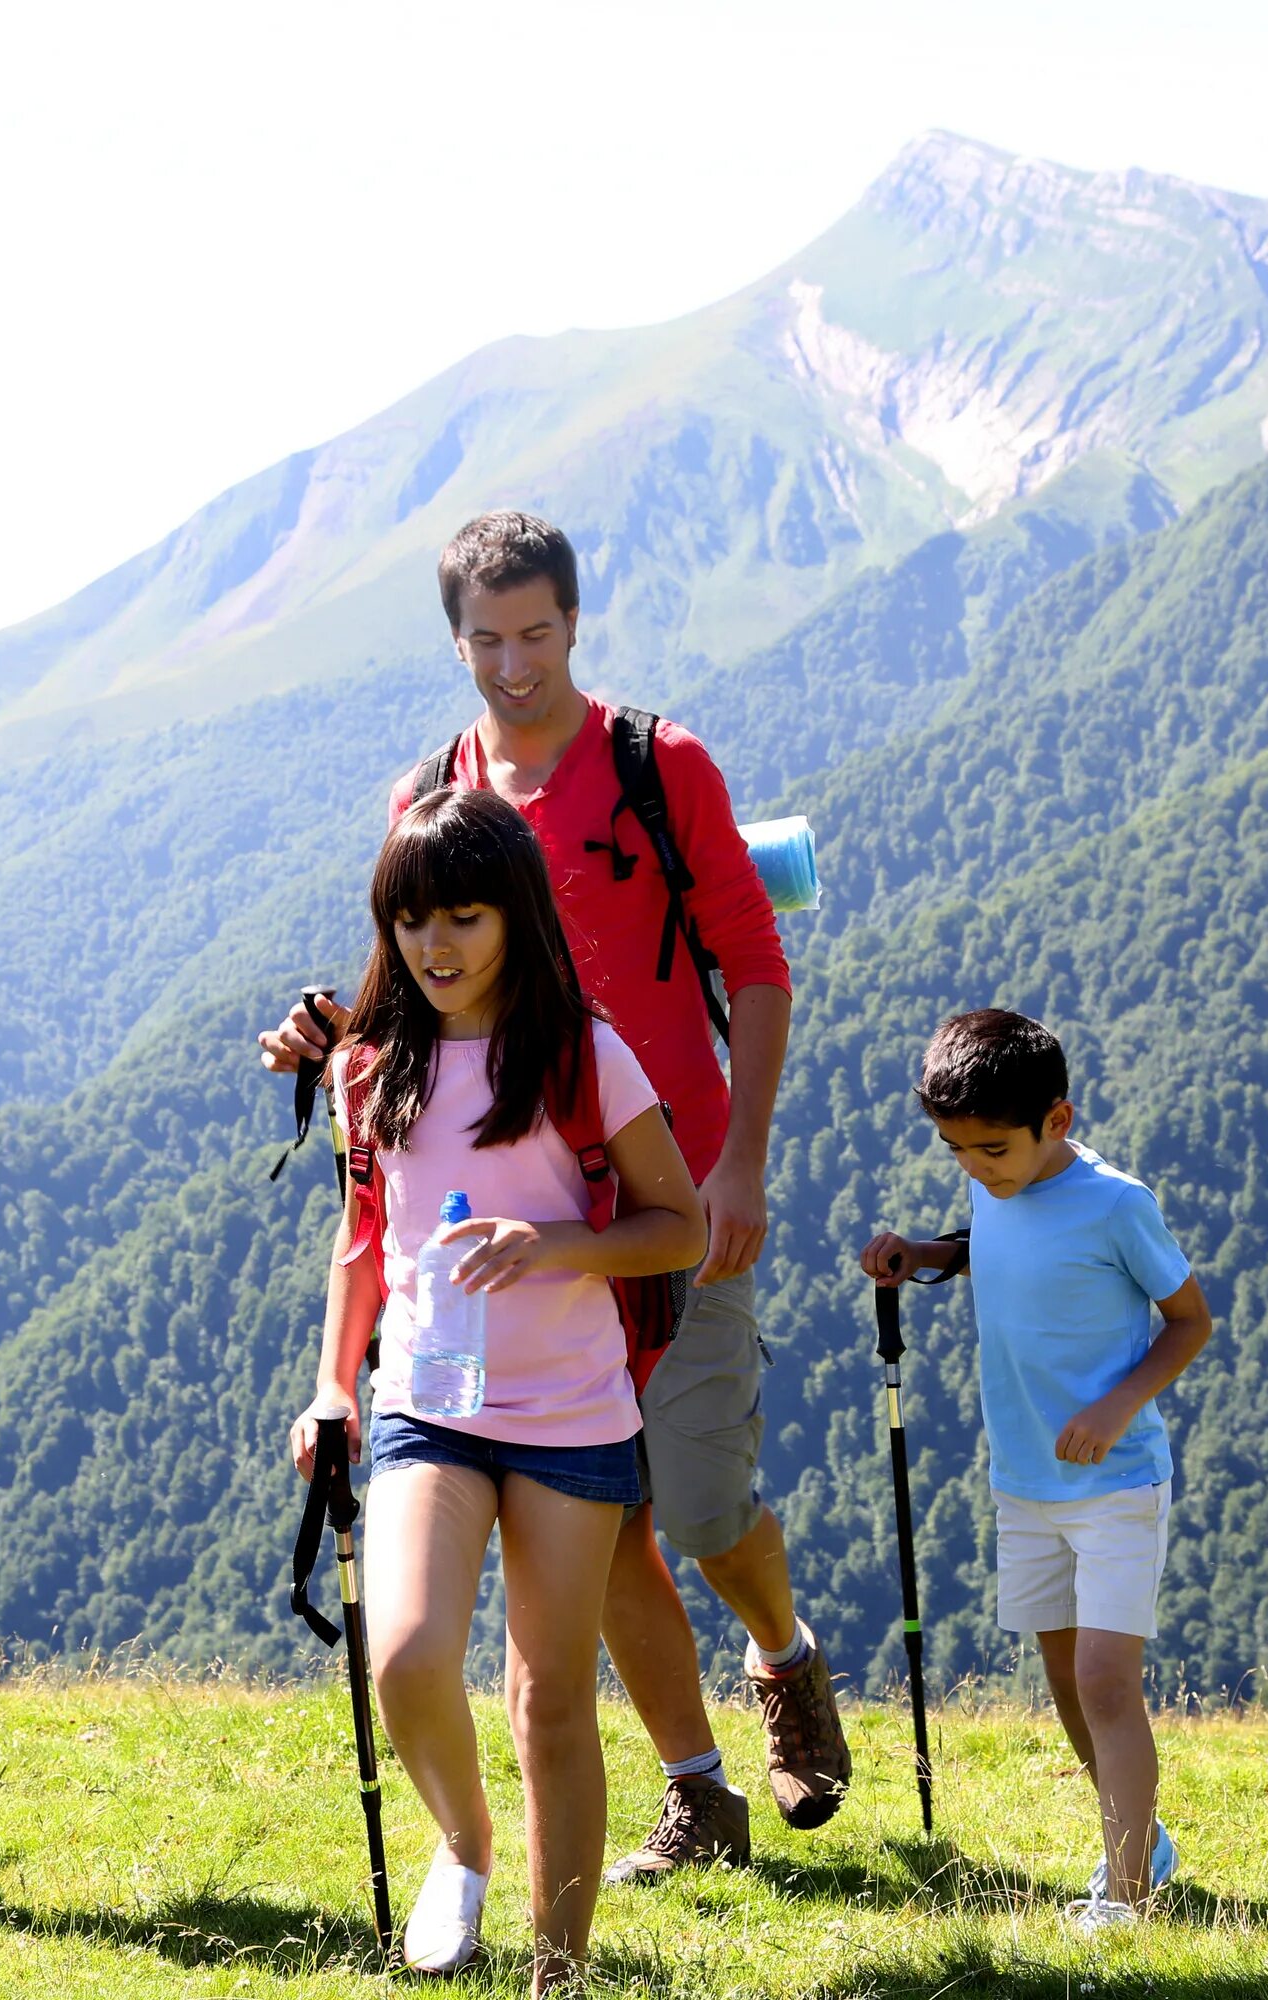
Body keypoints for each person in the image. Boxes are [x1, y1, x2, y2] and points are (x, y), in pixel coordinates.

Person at [265, 509, 849, 1880]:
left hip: (667, 1195)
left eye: (536, 633)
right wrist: (322, 1035)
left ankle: (786, 1653)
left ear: (575, 623)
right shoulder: (433, 797)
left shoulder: (659, 766)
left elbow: (754, 966)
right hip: (508, 1238)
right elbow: (405, 986)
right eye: (487, 639)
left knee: (698, 1507)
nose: (514, 664)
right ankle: (701, 1796)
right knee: (607, 1519)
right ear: (456, 640)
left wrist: (741, 1162)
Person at [288, 787, 704, 1990]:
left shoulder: (584, 1052)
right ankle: (463, 1845)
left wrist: (556, 1244)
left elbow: (679, 1225)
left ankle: (557, 1970)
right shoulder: (370, 1064)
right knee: (408, 1653)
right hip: (428, 1400)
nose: (437, 946)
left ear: (517, 912)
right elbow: (363, 1238)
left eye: (463, 915)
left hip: (573, 1418)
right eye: (412, 920)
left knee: (549, 1698)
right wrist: (332, 1384)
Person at [857, 1009, 1214, 1933]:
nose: (976, 1169)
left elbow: (1189, 1322)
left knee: (1104, 1681)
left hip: (1115, 1478)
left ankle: (1126, 1897)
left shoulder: (1118, 1203)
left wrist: (1115, 1407)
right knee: (1065, 1679)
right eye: (956, 1152)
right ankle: (1140, 1840)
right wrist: (925, 1255)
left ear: (1056, 1121)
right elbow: (997, 1246)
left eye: (992, 1150)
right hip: (1022, 1478)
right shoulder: (996, 1184)